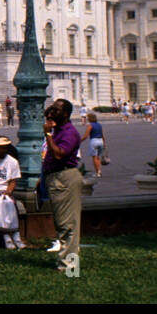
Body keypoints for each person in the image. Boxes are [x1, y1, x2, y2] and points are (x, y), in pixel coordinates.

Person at [43, 99, 83, 267]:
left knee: (68, 224)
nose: (52, 113)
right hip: (55, 177)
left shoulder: (69, 132)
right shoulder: (58, 130)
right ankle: (66, 261)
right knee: (62, 222)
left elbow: (59, 154)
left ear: (66, 113)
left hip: (65, 177)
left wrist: (48, 134)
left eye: (56, 110)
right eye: (52, 109)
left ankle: (70, 266)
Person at [82, 113, 106, 178]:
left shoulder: (90, 125)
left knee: (94, 158)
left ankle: (97, 172)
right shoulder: (99, 125)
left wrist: (80, 140)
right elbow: (102, 134)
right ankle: (99, 170)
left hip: (94, 141)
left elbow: (86, 135)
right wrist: (104, 143)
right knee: (98, 157)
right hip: (100, 140)